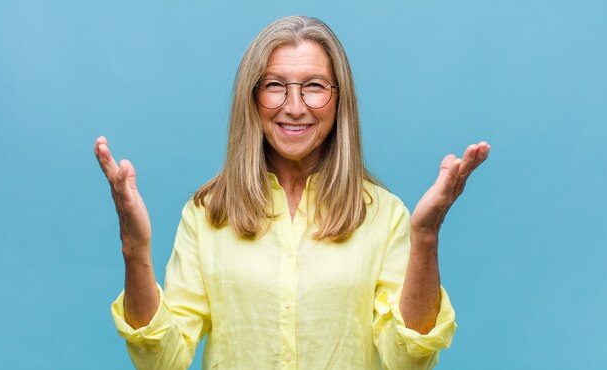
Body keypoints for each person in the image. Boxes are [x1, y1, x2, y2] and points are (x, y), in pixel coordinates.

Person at [95, 15, 489, 370]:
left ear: (339, 99)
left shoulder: (385, 216)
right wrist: (134, 247)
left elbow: (407, 362)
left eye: (314, 86)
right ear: (252, 98)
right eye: (275, 86)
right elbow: (161, 360)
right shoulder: (206, 215)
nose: (295, 106)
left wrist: (425, 237)